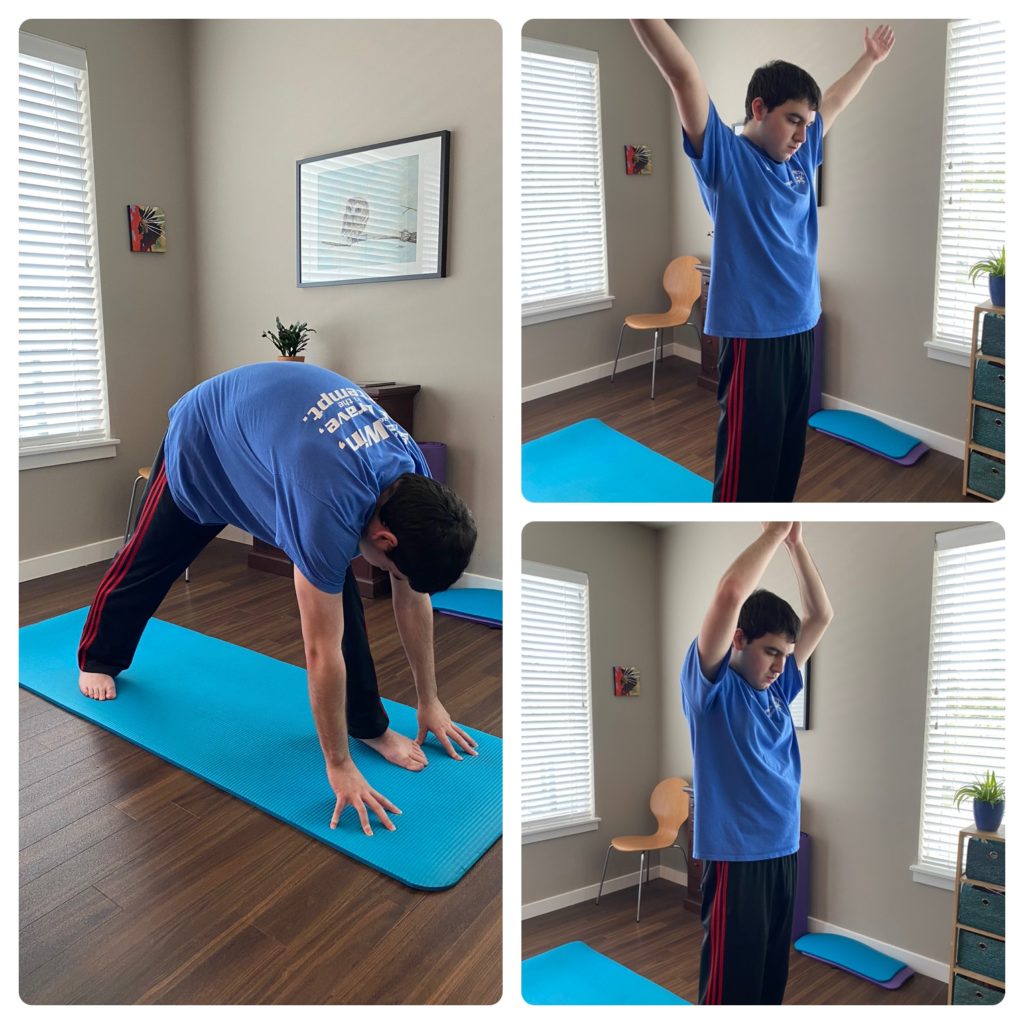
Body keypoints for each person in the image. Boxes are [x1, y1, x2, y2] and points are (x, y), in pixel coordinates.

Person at [76, 361, 479, 837]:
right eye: (391, 568)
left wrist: (428, 701)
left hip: (277, 447)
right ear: (385, 539)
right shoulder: (327, 505)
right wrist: (338, 766)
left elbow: (411, 598)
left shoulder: (412, 475)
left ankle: (367, 724)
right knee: (149, 558)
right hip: (206, 436)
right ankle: (98, 655)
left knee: (337, 590)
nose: (395, 579)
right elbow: (320, 651)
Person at [631, 21, 895, 501]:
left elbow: (834, 99)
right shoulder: (726, 159)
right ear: (759, 108)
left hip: (802, 327)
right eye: (793, 119)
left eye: (807, 125)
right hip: (756, 337)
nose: (802, 133)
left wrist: (870, 60)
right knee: (746, 468)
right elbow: (683, 75)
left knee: (787, 454)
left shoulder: (798, 159)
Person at [680, 522, 833, 1003]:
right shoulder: (712, 690)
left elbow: (821, 615)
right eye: (771, 651)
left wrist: (797, 544)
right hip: (737, 858)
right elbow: (729, 593)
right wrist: (772, 534)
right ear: (740, 640)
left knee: (770, 977)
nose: (780, 665)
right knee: (732, 986)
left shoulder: (779, 689)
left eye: (786, 655)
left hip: (784, 849)